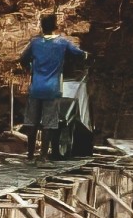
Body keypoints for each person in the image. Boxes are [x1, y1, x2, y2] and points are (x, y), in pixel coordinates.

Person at [19, 13, 87, 162]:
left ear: (42, 27)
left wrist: (31, 67)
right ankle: (43, 156)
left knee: (32, 122)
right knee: (48, 123)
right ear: (55, 27)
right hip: (52, 89)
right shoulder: (62, 43)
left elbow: (22, 58)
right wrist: (86, 55)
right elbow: (79, 54)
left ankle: (30, 156)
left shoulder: (35, 43)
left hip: (36, 88)